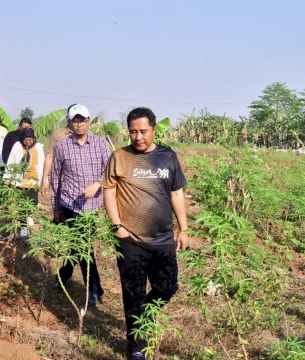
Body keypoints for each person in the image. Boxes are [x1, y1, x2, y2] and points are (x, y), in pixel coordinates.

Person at [102, 107, 189, 359]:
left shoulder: (167, 156)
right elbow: (109, 190)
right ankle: (136, 348)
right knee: (133, 293)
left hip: (163, 239)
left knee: (167, 287)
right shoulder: (120, 156)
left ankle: (143, 317)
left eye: (143, 131)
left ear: (154, 129)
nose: (138, 137)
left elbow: (176, 192)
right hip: (131, 240)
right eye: (132, 132)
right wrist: (117, 226)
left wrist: (183, 228)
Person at [50, 104, 111, 306]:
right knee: (84, 246)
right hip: (70, 205)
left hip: (93, 206)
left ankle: (63, 275)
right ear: (69, 122)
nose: (79, 124)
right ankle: (95, 290)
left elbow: (111, 172)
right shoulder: (62, 146)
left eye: (83, 120)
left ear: (89, 121)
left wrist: (97, 184)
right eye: (75, 120)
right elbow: (55, 178)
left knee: (78, 246)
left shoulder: (101, 145)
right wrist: (56, 207)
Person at [3, 128, 45, 237]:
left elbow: (43, 163)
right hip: (20, 181)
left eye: (30, 139)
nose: (28, 142)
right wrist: (7, 178)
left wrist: (45, 181)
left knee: (33, 203)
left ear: (33, 139)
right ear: (22, 139)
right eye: (26, 139)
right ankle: (23, 228)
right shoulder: (17, 146)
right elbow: (11, 161)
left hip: (34, 181)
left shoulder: (38, 147)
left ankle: (28, 216)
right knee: (22, 206)